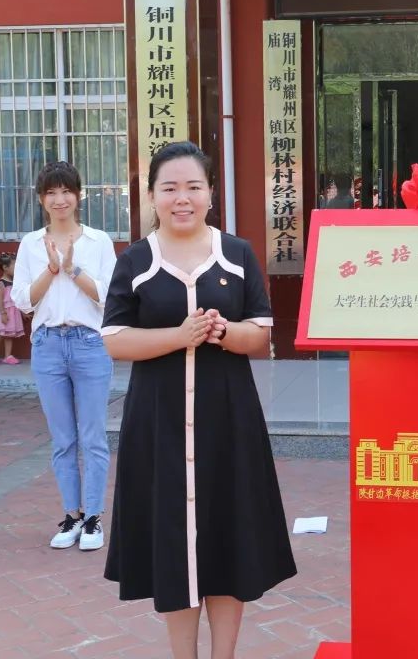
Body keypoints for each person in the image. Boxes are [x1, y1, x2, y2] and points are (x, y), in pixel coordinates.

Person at [101, 141, 296, 659]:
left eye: (193, 186)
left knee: (228, 541)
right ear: (152, 195)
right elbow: (115, 340)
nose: (182, 198)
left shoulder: (238, 253)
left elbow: (260, 336)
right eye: (169, 188)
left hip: (228, 421)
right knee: (173, 544)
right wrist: (179, 336)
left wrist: (222, 331)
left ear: (210, 193)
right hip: (158, 422)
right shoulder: (136, 260)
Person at [10, 161, 116, 552]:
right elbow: (23, 300)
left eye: (66, 191)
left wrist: (72, 269)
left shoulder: (98, 241)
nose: (60, 200)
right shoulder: (30, 243)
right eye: (51, 193)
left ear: (78, 195)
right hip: (47, 345)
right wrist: (51, 269)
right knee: (62, 438)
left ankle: (93, 518)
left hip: (90, 343)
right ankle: (72, 514)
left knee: (93, 436)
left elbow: (108, 296)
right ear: (41, 199)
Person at [0, 252, 24, 366]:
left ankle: (8, 356)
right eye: (15, 266)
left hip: (12, 312)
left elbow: (16, 299)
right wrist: (3, 313)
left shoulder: (14, 283)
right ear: (5, 267)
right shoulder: (1, 283)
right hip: (2, 312)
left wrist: (23, 313)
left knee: (9, 335)